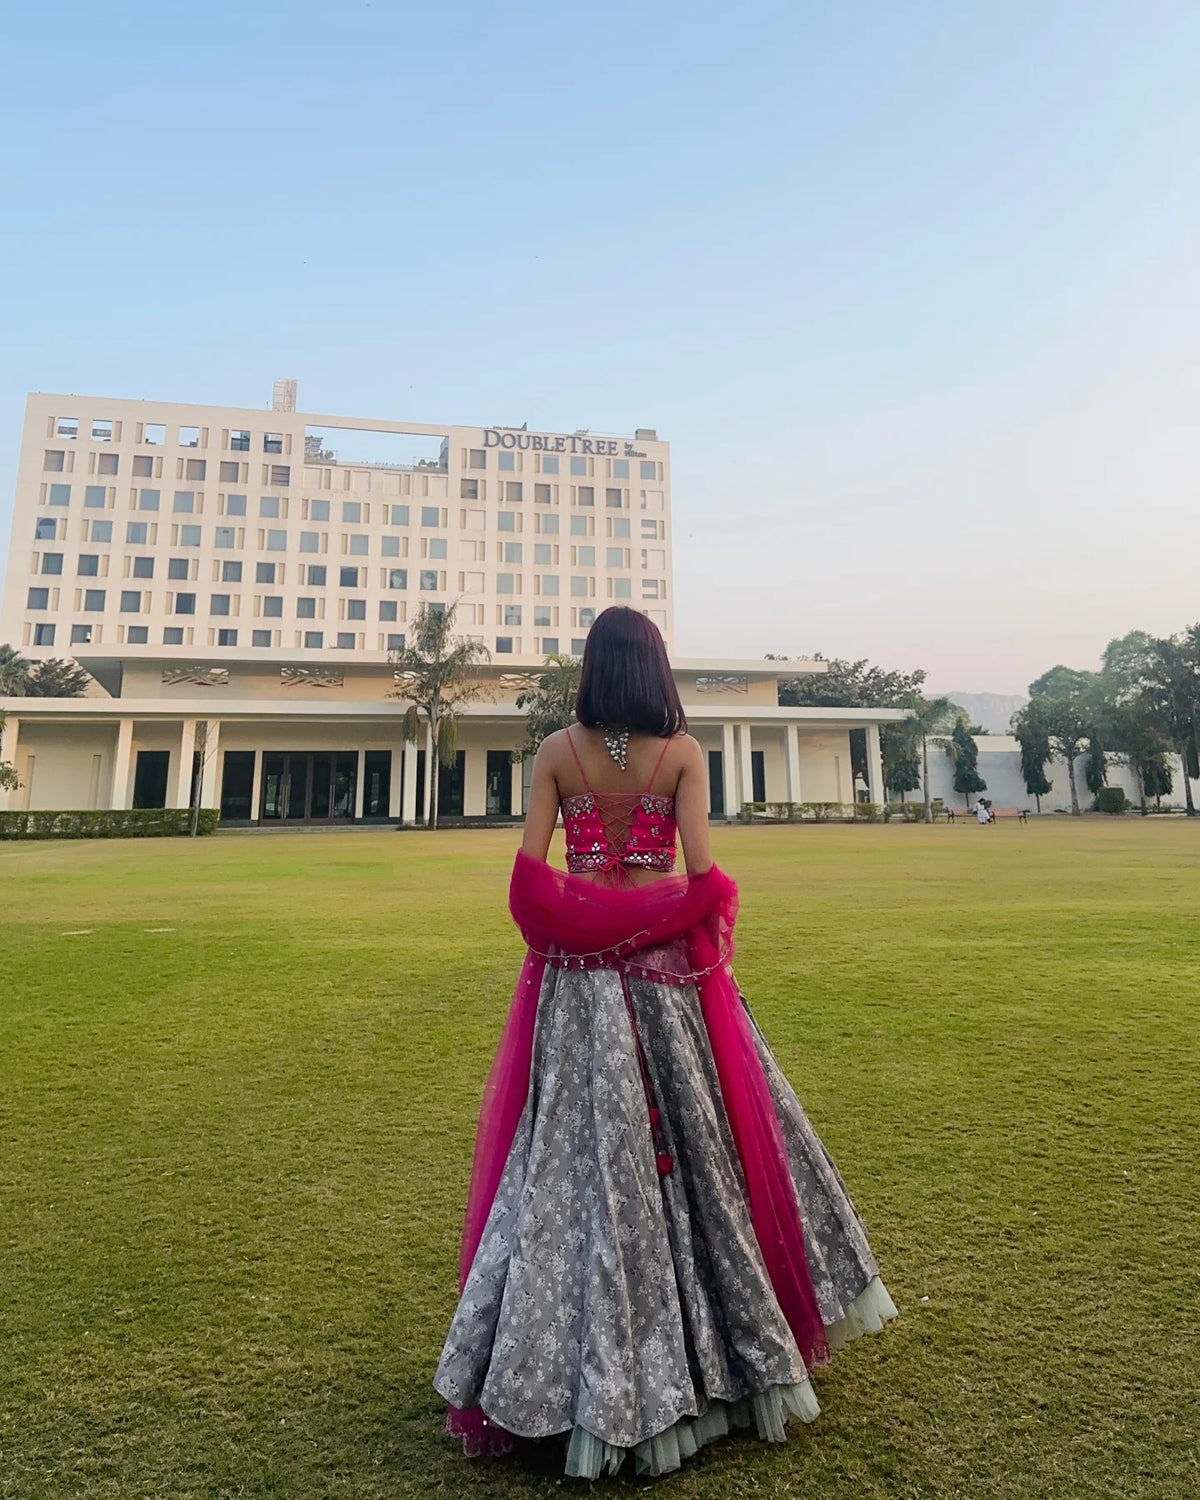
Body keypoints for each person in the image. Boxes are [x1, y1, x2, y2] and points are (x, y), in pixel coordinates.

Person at [433, 607, 897, 1479]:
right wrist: (660, 917)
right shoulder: (681, 754)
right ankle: (720, 1352)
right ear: (652, 668)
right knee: (696, 1149)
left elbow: (531, 886)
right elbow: (700, 875)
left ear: (591, 669)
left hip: (580, 988)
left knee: (573, 1161)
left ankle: (557, 1367)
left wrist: (589, 916)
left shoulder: (554, 756)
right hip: (661, 976)